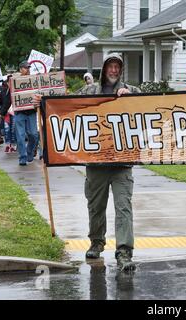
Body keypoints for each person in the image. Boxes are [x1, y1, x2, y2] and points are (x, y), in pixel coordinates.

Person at [34, 53, 140, 271]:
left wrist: (131, 95)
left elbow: (150, 102)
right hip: (95, 164)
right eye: (110, 66)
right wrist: (43, 103)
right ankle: (96, 242)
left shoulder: (130, 89)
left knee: (124, 208)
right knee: (95, 207)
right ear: (103, 69)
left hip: (122, 165)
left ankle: (124, 252)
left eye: (117, 67)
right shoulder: (90, 91)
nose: (113, 70)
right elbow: (64, 104)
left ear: (121, 70)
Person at [15, 60, 39, 165]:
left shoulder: (33, 80)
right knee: (20, 136)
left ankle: (29, 153)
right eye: (26, 68)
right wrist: (2, 111)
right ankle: (22, 158)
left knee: (34, 135)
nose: (28, 69)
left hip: (31, 112)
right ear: (20, 69)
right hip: (19, 112)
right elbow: (10, 96)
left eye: (29, 68)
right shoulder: (15, 81)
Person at [0, 75, 16, 153]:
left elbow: (7, 102)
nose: (10, 83)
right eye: (9, 81)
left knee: (13, 130)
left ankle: (13, 145)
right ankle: (7, 145)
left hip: (14, 113)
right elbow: (2, 102)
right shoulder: (4, 91)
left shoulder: (16, 90)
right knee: (6, 130)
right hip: (6, 114)